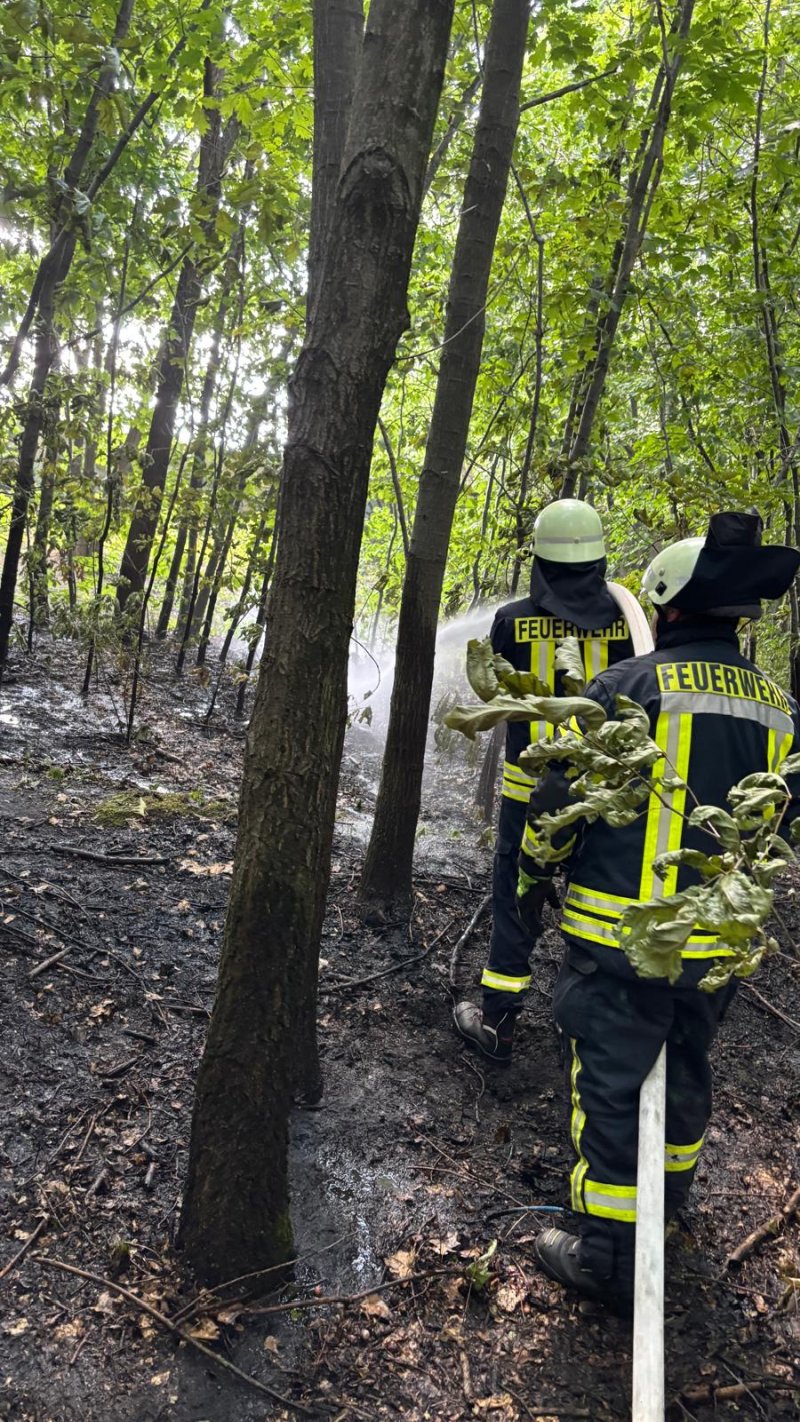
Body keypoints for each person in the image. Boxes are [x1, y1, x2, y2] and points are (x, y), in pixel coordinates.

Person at [515, 511, 800, 1306]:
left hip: (620, 942)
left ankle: (606, 1255)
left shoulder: (627, 689)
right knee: (684, 1072)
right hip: (717, 947)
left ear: (667, 606)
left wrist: (535, 873)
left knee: (611, 1084)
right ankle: (665, 1212)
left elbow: (558, 803)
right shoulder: (781, 709)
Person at [453, 498, 634, 1063]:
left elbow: (497, 695)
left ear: (539, 558)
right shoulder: (628, 621)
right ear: (598, 558)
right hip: (603, 792)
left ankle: (498, 1025)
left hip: (527, 793)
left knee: (516, 898)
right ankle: (580, 1022)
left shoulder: (511, 620)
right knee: (596, 899)